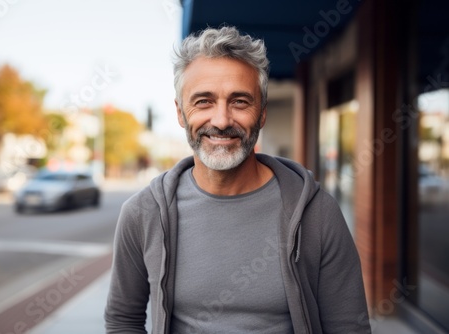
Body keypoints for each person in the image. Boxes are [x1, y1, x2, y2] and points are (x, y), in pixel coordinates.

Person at [105, 26, 371, 334]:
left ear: (262, 114)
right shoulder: (142, 214)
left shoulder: (318, 214)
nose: (221, 121)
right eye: (203, 101)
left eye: (240, 101)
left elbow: (349, 327)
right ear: (180, 113)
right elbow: (123, 321)